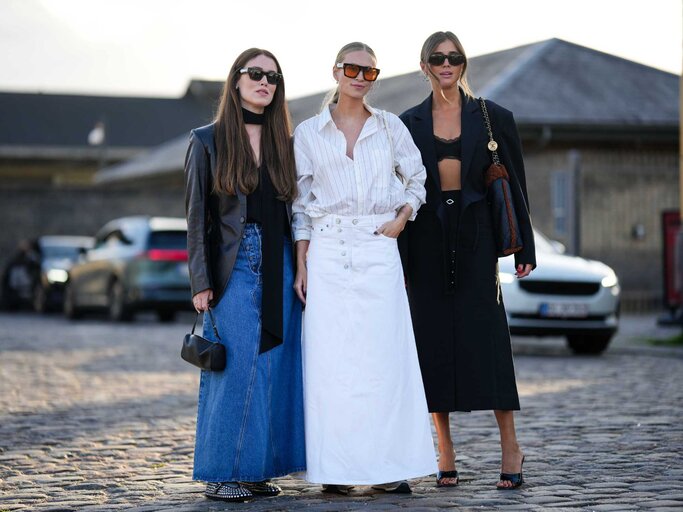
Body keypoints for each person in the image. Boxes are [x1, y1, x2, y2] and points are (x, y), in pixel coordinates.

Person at [292, 41, 436, 495]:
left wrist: (399, 220)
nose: (360, 77)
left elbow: (418, 180)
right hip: (328, 249)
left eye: (370, 72)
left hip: (378, 245)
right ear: (336, 71)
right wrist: (302, 263)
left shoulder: (391, 127)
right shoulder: (309, 133)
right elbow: (299, 204)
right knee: (330, 363)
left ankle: (388, 468)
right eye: (353, 68)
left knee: (384, 359)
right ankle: (335, 469)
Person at [398, 31, 537, 490]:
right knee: (431, 342)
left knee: (490, 340)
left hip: (476, 237)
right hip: (424, 238)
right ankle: (445, 450)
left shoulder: (493, 117)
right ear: (424, 65)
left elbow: (514, 184)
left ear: (463, 63)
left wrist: (525, 248)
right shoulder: (407, 122)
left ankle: (510, 448)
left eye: (454, 57)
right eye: (437, 58)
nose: (446, 64)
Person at [184, 48, 305, 502]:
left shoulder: (285, 142)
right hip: (234, 264)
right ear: (236, 81)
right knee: (234, 368)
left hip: (281, 260)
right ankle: (222, 474)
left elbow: (298, 210)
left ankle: (255, 470)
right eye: (255, 74)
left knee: (273, 365)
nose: (264, 82)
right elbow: (196, 218)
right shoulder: (207, 140)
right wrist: (201, 281)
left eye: (273, 77)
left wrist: (301, 265)